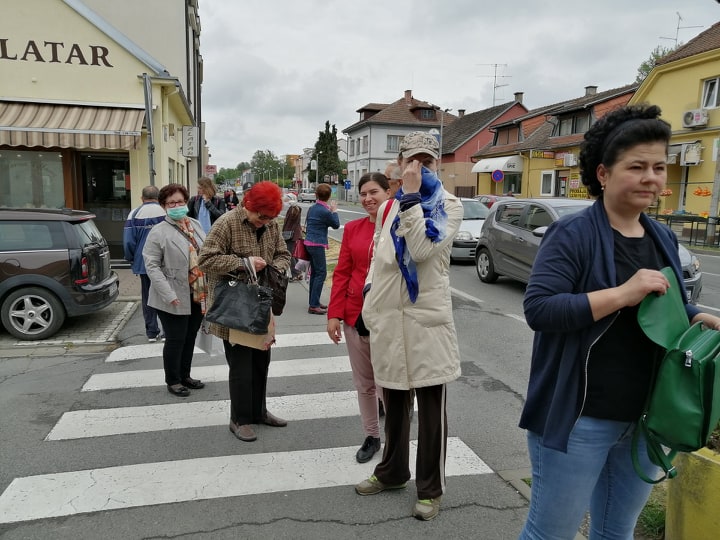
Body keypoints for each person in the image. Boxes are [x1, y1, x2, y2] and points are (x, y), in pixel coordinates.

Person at [518, 104, 720, 539]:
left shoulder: (661, 236)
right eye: (637, 167)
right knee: (550, 533)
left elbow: (661, 309)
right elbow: (540, 309)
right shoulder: (571, 235)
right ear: (604, 173)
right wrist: (621, 294)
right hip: (580, 418)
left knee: (616, 532)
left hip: (647, 416)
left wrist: (699, 316)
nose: (652, 177)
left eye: (659, 167)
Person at [354, 131, 463, 521]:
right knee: (395, 403)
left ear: (437, 164)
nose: (419, 167)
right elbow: (377, 260)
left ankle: (430, 490)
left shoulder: (449, 206)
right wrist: (369, 303)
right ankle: (392, 472)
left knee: (431, 411)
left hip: (425, 321)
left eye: (427, 161)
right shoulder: (387, 208)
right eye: (411, 161)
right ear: (400, 165)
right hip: (387, 318)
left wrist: (414, 199)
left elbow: (419, 250)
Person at [198, 181, 291, 443]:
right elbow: (205, 260)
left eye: (270, 218)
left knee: (261, 362)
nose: (265, 222)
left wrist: (277, 268)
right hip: (235, 306)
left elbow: (284, 254)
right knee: (240, 366)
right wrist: (243, 263)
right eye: (261, 216)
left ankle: (259, 412)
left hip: (261, 303)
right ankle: (239, 419)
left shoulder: (271, 224)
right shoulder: (227, 223)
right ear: (249, 206)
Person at [327, 172, 391, 463]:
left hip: (390, 318)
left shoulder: (400, 227)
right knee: (364, 382)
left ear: (388, 193)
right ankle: (372, 435)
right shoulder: (352, 229)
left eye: (373, 192)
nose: (367, 198)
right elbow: (341, 274)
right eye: (363, 193)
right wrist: (334, 315)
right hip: (356, 317)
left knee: (390, 383)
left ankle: (397, 436)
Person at [143, 184, 207, 397]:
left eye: (180, 201)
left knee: (189, 337)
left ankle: (185, 375)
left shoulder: (195, 225)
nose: (177, 206)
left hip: (196, 293)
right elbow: (151, 266)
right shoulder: (158, 232)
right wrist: (168, 294)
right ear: (164, 206)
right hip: (172, 295)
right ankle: (173, 380)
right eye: (171, 203)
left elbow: (205, 253)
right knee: (175, 338)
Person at [122, 185, 166, 342]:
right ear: (158, 197)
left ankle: (152, 332)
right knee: (166, 295)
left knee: (148, 297)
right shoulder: (165, 212)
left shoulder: (134, 214)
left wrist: (131, 259)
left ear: (142, 198)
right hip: (165, 263)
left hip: (144, 264)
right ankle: (167, 331)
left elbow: (128, 242)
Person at [304, 183, 340, 314]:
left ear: (316, 195)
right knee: (321, 273)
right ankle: (314, 305)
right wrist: (334, 211)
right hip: (317, 244)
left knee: (314, 273)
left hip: (308, 242)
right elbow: (336, 225)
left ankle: (314, 301)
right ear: (329, 196)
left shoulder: (313, 208)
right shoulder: (325, 211)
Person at [282, 202, 304, 281]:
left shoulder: (293, 209)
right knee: (294, 255)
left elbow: (288, 223)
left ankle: (295, 274)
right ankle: (299, 273)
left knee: (290, 255)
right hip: (296, 235)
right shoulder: (297, 209)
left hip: (291, 236)